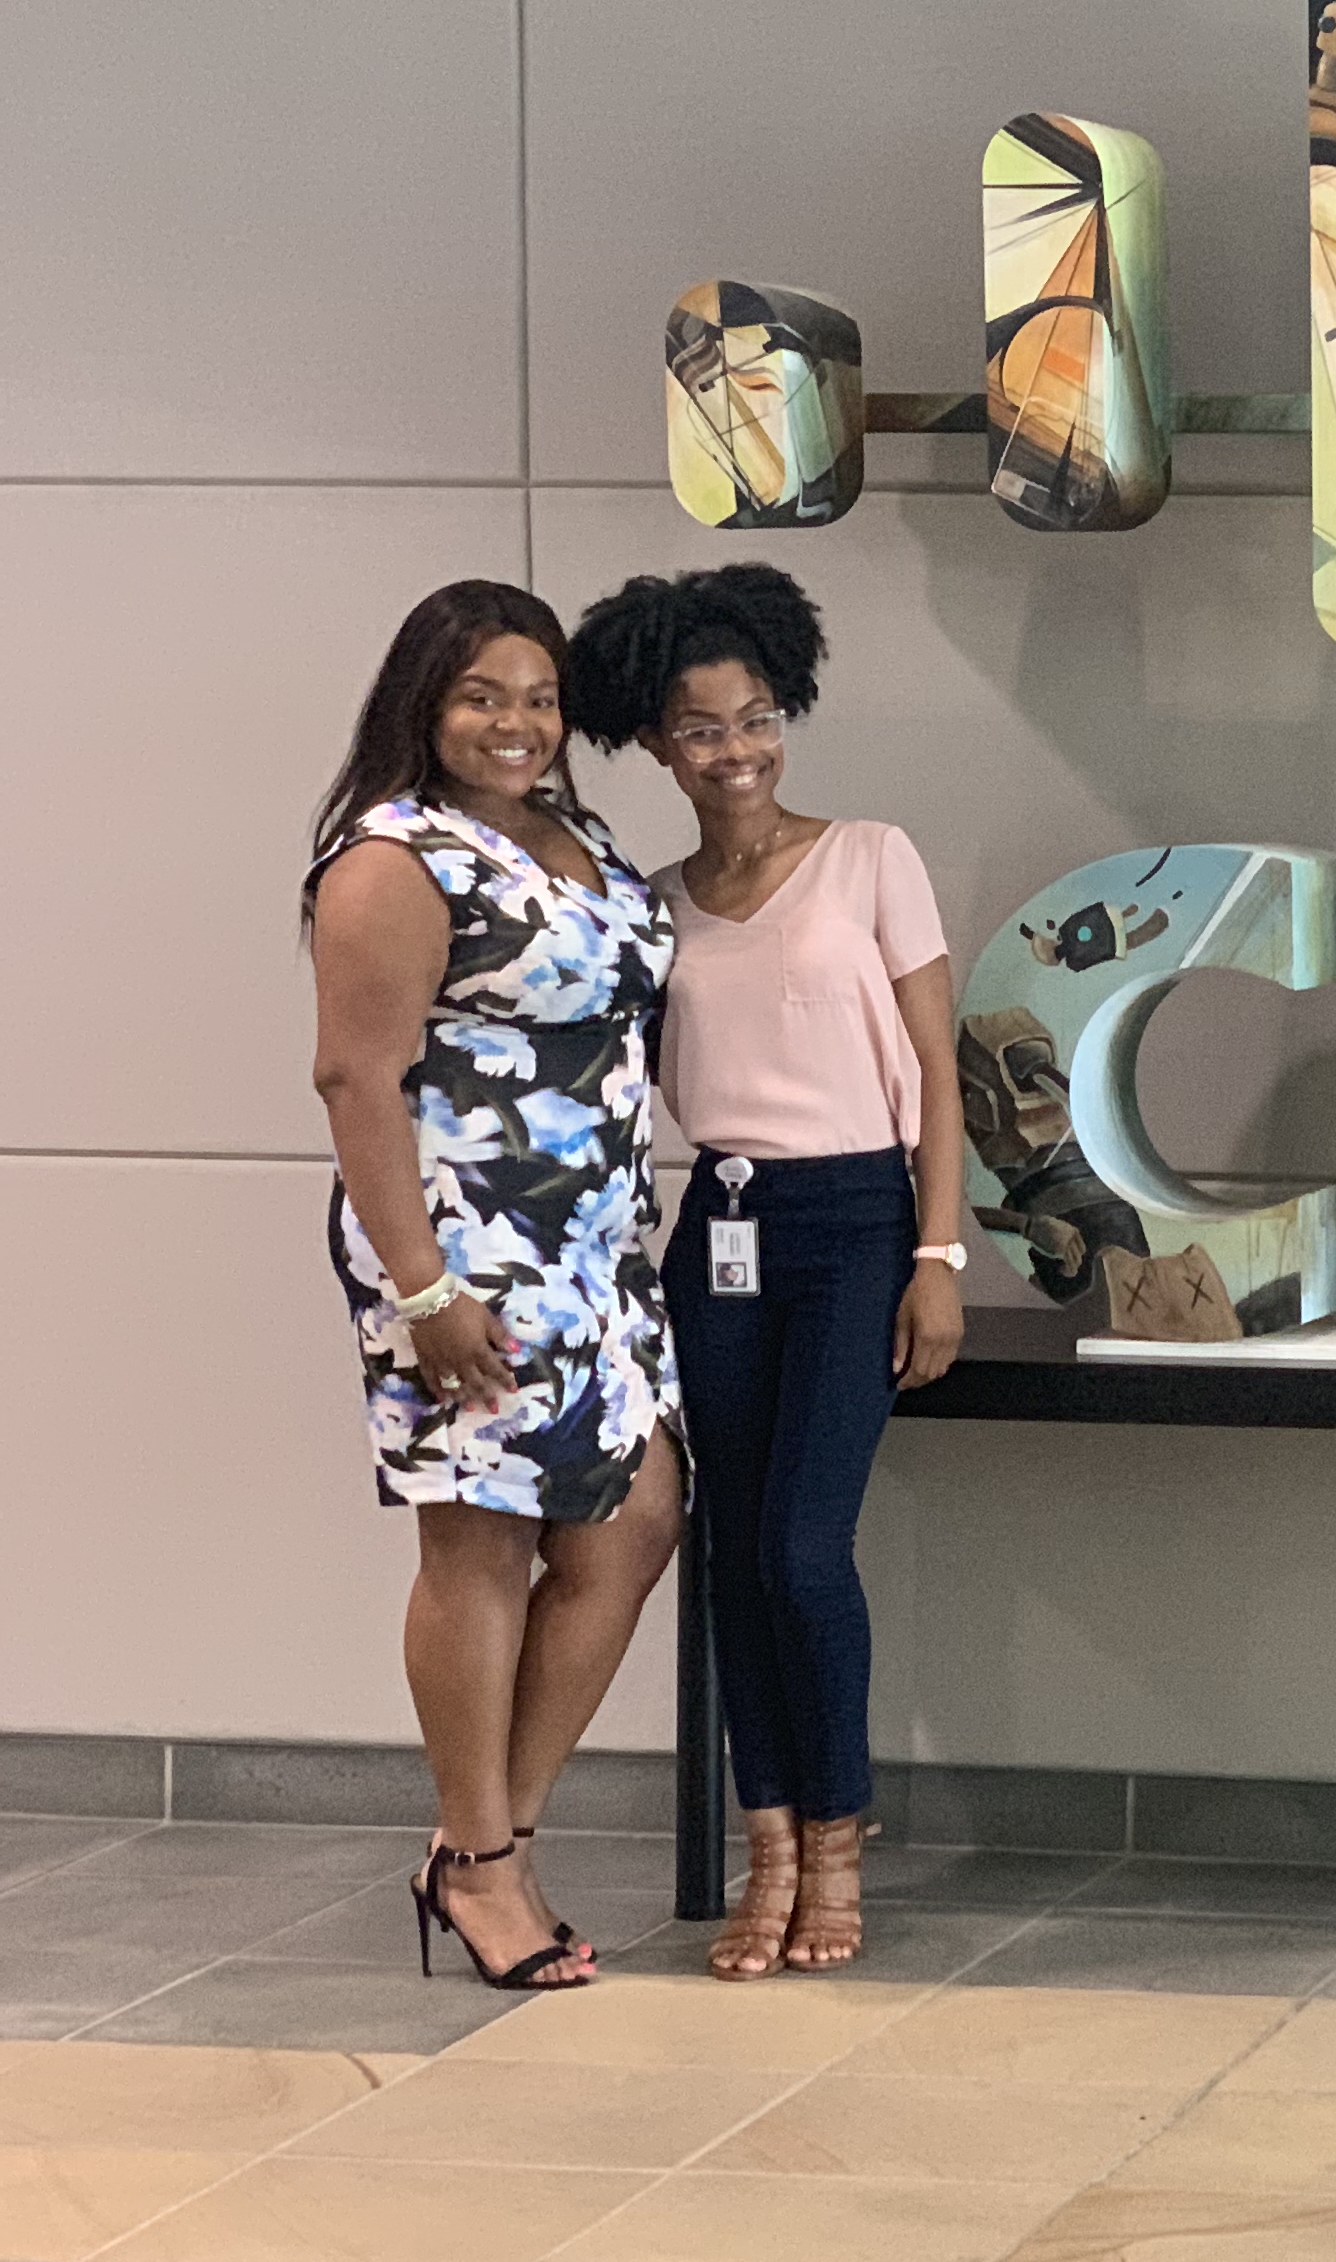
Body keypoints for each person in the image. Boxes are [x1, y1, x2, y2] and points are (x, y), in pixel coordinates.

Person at [563, 565, 966, 1978]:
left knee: (805, 1549)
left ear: (783, 711)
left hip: (856, 1225)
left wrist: (936, 1253)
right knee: (733, 1556)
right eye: (701, 728)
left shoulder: (871, 857)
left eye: (755, 719)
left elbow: (934, 1071)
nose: (736, 750)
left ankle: (841, 1843)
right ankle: (770, 1847)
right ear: (655, 745)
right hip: (715, 1235)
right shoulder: (652, 903)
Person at [308, 580, 684, 1990]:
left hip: (594, 1245)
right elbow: (356, 1077)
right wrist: (419, 1290)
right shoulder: (393, 860)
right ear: (426, 705)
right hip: (464, 1248)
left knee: (636, 1514)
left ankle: (489, 1835)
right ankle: (482, 1868)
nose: (514, 722)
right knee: (481, 1545)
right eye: (481, 696)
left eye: (536, 697)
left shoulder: (573, 836)